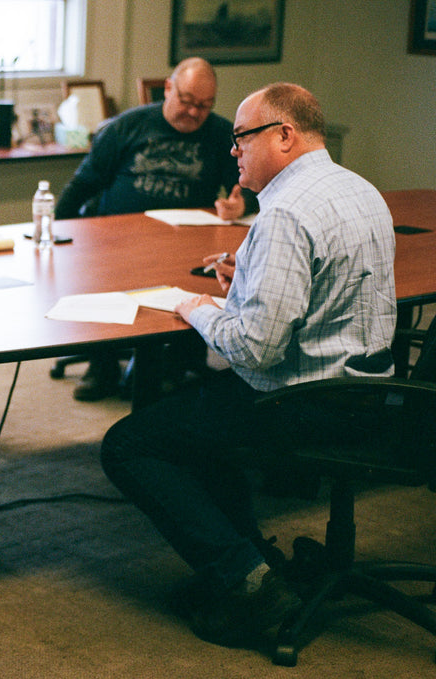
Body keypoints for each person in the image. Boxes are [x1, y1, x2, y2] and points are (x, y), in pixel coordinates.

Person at [99, 83, 397, 648]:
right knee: (200, 419)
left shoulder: (284, 212)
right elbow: (328, 296)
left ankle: (248, 581)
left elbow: (255, 351)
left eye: (242, 137)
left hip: (305, 402)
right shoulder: (360, 189)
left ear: (284, 135)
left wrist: (199, 309)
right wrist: (251, 286)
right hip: (369, 391)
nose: (233, 151)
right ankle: (251, 562)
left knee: (132, 443)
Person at [56, 57, 254, 402]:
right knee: (102, 284)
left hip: (186, 245)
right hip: (117, 243)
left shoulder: (222, 134)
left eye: (204, 106)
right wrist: (56, 235)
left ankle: (172, 364)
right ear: (167, 89)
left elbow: (247, 186)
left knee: (200, 282)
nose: (194, 113)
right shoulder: (127, 127)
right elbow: (82, 185)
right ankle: (102, 366)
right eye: (188, 101)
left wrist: (243, 204)